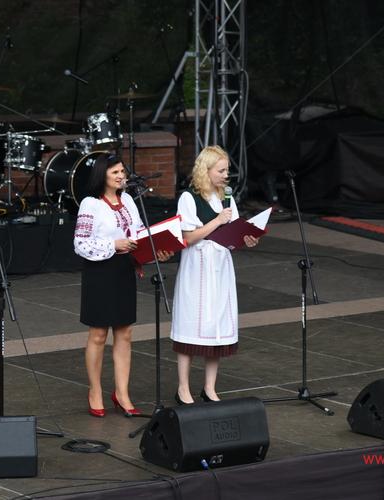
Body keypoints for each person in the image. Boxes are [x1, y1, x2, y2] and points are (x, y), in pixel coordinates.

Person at [73, 153, 172, 417]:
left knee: (124, 332)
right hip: (100, 271)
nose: (121, 176)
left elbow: (138, 233)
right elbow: (80, 243)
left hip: (124, 268)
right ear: (102, 175)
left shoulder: (128, 200)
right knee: (98, 333)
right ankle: (95, 391)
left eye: (122, 172)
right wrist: (113, 244)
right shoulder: (91, 204)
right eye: (115, 172)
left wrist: (156, 249)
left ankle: (122, 393)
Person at [171, 145, 259, 404]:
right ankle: (183, 388)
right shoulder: (189, 197)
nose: (225, 175)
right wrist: (218, 221)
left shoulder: (226, 197)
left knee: (217, 325)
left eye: (227, 170)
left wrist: (247, 238)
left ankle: (209, 387)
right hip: (198, 267)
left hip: (220, 266)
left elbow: (234, 232)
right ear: (206, 170)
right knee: (191, 324)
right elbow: (188, 237)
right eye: (221, 170)